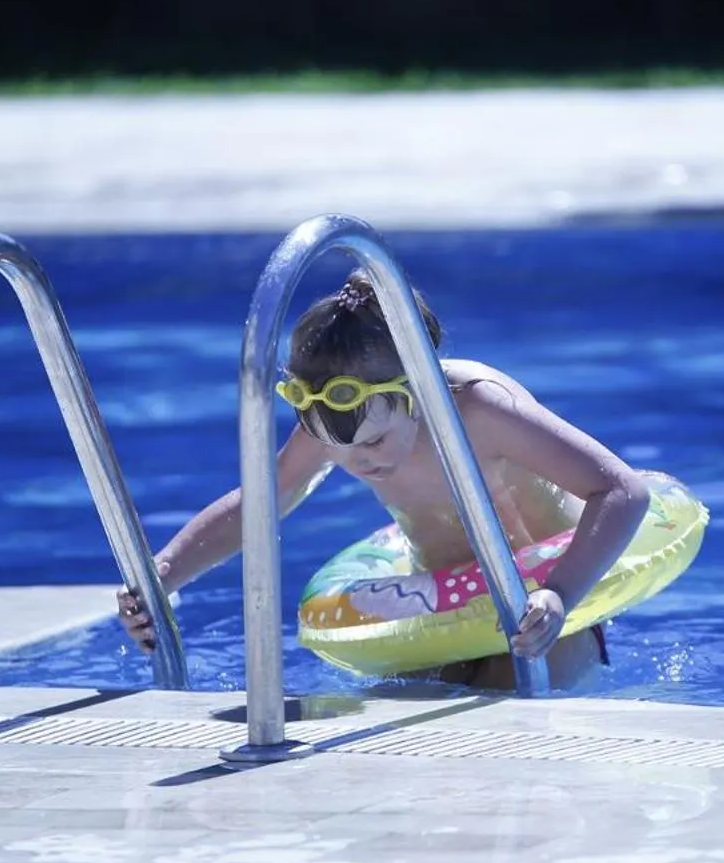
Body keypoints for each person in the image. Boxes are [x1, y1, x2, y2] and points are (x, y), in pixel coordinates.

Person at [116, 271, 651, 689]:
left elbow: (623, 491)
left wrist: (560, 594)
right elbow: (262, 502)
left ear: (416, 393)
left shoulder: (480, 411)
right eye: (339, 449)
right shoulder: (337, 413)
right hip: (441, 622)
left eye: (373, 442)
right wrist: (163, 575)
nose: (358, 463)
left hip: (538, 611)